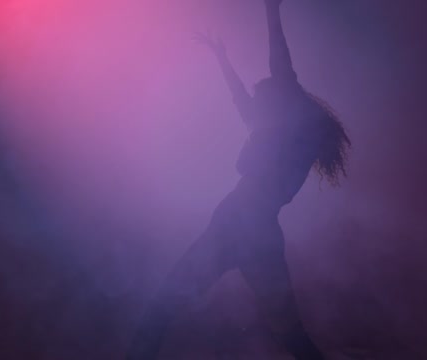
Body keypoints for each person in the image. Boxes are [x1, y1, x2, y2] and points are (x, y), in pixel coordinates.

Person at [127, 0, 351, 358]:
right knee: (290, 333)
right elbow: (241, 99)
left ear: (279, 100)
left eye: (262, 94)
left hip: (236, 224)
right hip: (258, 234)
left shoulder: (286, 128)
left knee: (164, 305)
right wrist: (221, 58)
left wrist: (271, 10)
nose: (256, 98)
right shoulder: (281, 136)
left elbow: (279, 63)